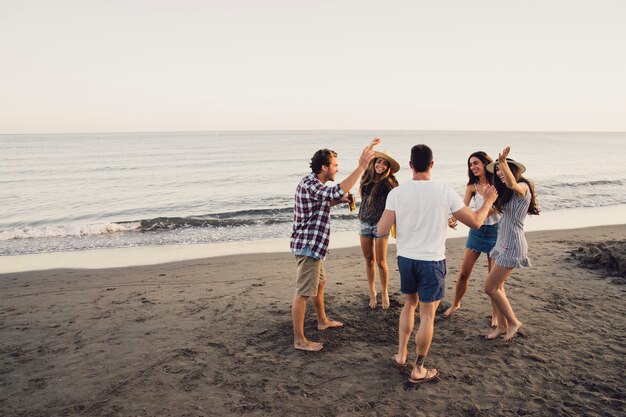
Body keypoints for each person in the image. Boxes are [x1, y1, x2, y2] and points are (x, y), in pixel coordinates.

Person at [378, 144, 497, 384]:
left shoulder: (396, 193)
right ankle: (418, 368)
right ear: (432, 164)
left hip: (406, 258)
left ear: (410, 165)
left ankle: (401, 355)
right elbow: (475, 221)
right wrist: (487, 201)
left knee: (409, 304)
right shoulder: (444, 192)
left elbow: (381, 230)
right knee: (427, 315)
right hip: (431, 260)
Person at [290, 138, 379, 352]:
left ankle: (322, 321)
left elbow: (324, 200)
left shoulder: (314, 184)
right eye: (335, 166)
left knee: (319, 284)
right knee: (302, 293)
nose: (337, 169)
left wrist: (337, 202)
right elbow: (335, 191)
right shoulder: (311, 184)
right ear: (324, 167)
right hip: (308, 246)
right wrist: (361, 167)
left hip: (315, 246)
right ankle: (299, 340)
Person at [483, 146, 539, 342]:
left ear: (512, 169)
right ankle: (501, 326)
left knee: (489, 287)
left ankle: (514, 322)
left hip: (512, 244)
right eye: (497, 170)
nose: (499, 172)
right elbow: (489, 213)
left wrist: (503, 161)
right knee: (498, 287)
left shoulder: (522, 187)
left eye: (502, 168)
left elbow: (514, 184)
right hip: (502, 242)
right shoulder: (505, 193)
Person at [444, 151, 502, 326]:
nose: (473, 167)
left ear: (485, 163)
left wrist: (478, 215)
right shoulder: (471, 186)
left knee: (493, 279)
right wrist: (454, 218)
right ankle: (456, 304)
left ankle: (495, 314)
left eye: (476, 163)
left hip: (495, 232)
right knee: (463, 273)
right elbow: (463, 207)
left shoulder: (496, 185)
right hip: (476, 233)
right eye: (470, 165)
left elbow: (499, 208)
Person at [357, 150, 400, 310]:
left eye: (384, 163)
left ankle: (385, 293)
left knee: (381, 262)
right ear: (374, 163)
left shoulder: (389, 183)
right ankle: (372, 292)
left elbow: (398, 203)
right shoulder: (366, 178)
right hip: (364, 223)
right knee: (369, 260)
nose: (380, 165)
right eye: (378, 162)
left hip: (381, 225)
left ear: (388, 167)